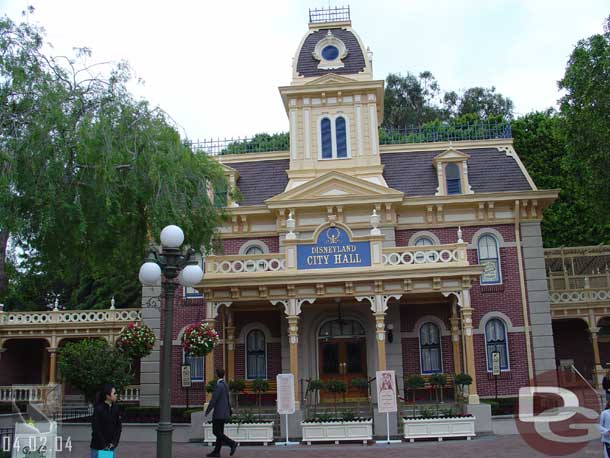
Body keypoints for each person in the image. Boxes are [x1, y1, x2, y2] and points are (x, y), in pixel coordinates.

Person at [205, 369, 237, 457]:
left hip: (218, 413)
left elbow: (213, 400)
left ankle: (232, 443)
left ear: (216, 375)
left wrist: (207, 411)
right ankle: (216, 452)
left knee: (216, 431)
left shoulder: (219, 386)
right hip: (224, 412)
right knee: (220, 433)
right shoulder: (225, 384)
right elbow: (227, 398)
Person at [90, 384, 122, 458]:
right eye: (114, 393)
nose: (116, 395)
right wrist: (104, 445)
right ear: (108, 396)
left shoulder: (116, 408)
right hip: (98, 447)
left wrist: (114, 443)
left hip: (110, 447)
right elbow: (96, 428)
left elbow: (118, 427)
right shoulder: (98, 409)